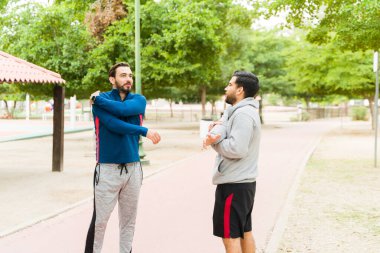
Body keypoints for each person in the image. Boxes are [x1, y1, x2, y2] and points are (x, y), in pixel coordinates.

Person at [84, 62, 161, 253]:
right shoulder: (102, 100)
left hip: (133, 169)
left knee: (129, 222)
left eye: (130, 75)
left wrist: (95, 99)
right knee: (100, 222)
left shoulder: (138, 100)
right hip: (107, 169)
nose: (128, 79)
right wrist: (144, 130)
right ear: (112, 79)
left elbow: (122, 111)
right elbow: (113, 124)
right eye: (123, 75)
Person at [203, 71, 261, 253]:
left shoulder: (243, 114)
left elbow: (237, 149)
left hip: (234, 185)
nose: (225, 88)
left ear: (240, 90)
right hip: (242, 184)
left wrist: (215, 142)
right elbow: (226, 122)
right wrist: (219, 126)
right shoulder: (239, 111)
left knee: (230, 236)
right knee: (245, 231)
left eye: (230, 84)